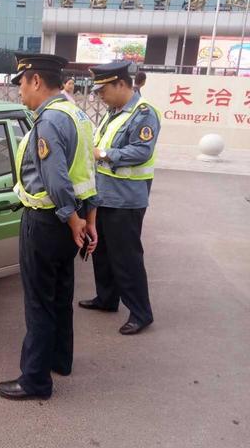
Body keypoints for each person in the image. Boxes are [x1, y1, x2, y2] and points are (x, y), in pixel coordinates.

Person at [0, 53, 99, 401]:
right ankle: (60, 360)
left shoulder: (49, 121)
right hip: (73, 222)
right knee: (59, 296)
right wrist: (88, 220)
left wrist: (71, 220)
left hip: (47, 222)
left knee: (38, 302)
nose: (20, 92)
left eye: (21, 84)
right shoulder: (78, 115)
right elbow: (88, 173)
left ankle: (35, 381)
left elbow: (55, 179)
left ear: (36, 81)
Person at [78, 61, 161, 335]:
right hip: (104, 196)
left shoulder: (143, 114)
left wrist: (104, 154)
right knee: (100, 251)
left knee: (126, 258)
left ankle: (141, 312)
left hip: (126, 200)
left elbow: (141, 151)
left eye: (103, 90)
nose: (99, 95)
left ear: (122, 84)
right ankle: (107, 298)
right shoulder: (114, 112)